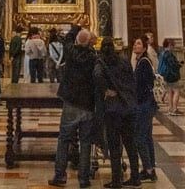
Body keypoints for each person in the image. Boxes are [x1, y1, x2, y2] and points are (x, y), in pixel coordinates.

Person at [48, 28, 96, 189]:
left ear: (76, 41)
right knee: (86, 142)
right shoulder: (94, 57)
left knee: (64, 140)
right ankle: (83, 179)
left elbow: (67, 39)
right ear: (90, 43)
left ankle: (60, 175)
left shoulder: (71, 52)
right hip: (88, 104)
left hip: (71, 103)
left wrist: (76, 27)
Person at [93, 37, 140, 189]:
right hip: (127, 106)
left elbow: (97, 76)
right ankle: (135, 177)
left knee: (114, 146)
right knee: (130, 144)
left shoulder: (101, 62)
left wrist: (105, 90)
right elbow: (131, 79)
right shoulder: (124, 60)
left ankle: (116, 180)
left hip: (113, 109)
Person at [132, 36, 157, 182]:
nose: (136, 45)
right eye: (135, 43)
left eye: (139, 43)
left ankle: (148, 169)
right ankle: (150, 168)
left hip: (144, 105)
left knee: (140, 137)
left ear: (144, 47)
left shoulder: (143, 63)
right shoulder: (141, 62)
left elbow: (140, 85)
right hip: (147, 103)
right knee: (147, 137)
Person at [157, 39, 181, 115]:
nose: (173, 47)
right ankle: (174, 109)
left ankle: (170, 109)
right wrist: (179, 65)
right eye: (172, 45)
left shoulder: (162, 53)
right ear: (169, 45)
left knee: (169, 92)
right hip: (172, 75)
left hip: (166, 75)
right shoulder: (169, 54)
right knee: (176, 91)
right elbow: (173, 64)